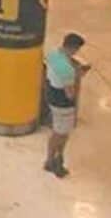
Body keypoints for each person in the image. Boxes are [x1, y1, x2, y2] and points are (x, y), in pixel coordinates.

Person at [43, 33, 89, 177]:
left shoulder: (53, 54)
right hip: (63, 103)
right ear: (73, 48)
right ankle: (54, 159)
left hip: (51, 94)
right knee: (61, 133)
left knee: (58, 129)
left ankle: (52, 158)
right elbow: (70, 93)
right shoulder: (67, 70)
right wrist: (78, 75)